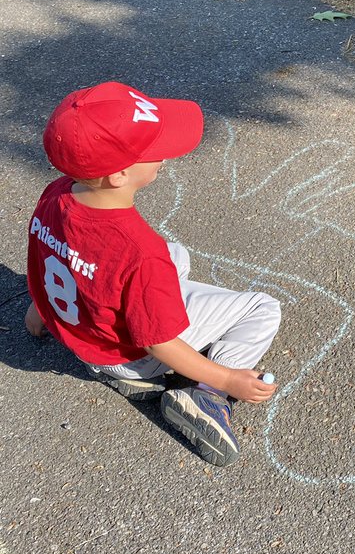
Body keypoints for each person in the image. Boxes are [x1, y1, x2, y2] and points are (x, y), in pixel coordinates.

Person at [24, 81, 281, 467]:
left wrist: (40, 312)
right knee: (261, 308)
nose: (165, 157)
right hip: (133, 355)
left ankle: (111, 359)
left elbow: (52, 255)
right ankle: (205, 397)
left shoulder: (56, 193)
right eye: (156, 151)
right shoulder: (139, 251)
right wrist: (229, 380)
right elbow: (159, 342)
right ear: (119, 176)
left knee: (173, 254)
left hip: (80, 335)